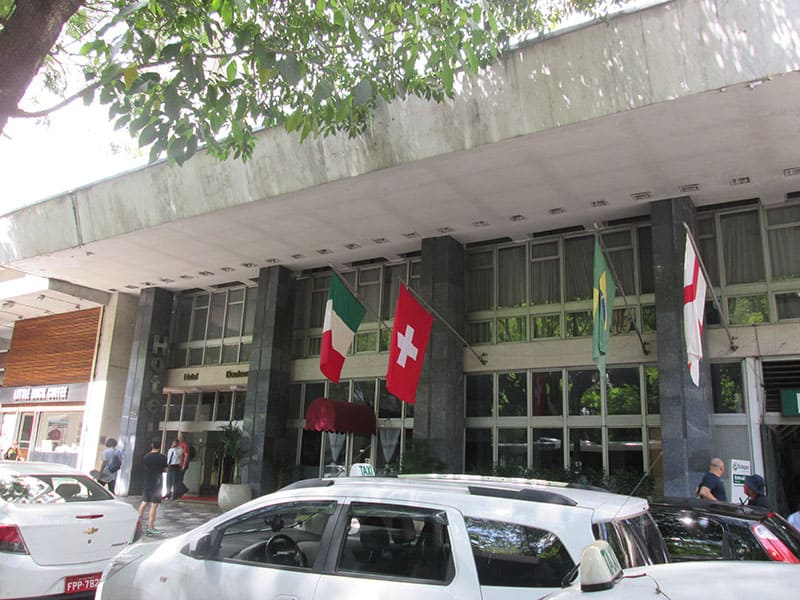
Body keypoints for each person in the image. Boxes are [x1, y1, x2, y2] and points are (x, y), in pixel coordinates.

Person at [138, 439, 168, 536]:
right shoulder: (163, 457)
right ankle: (150, 527)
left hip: (148, 481)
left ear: (151, 445)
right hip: (157, 483)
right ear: (160, 446)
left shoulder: (146, 457)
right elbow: (165, 469)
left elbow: (144, 468)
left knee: (144, 503)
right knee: (154, 506)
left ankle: (136, 524)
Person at [176, 432, 191, 499]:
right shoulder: (179, 444)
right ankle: (182, 490)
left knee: (179, 479)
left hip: (182, 464)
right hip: (178, 464)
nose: (179, 438)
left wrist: (184, 465)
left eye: (180, 437)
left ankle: (182, 491)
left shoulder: (185, 445)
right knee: (178, 479)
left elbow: (186, 455)